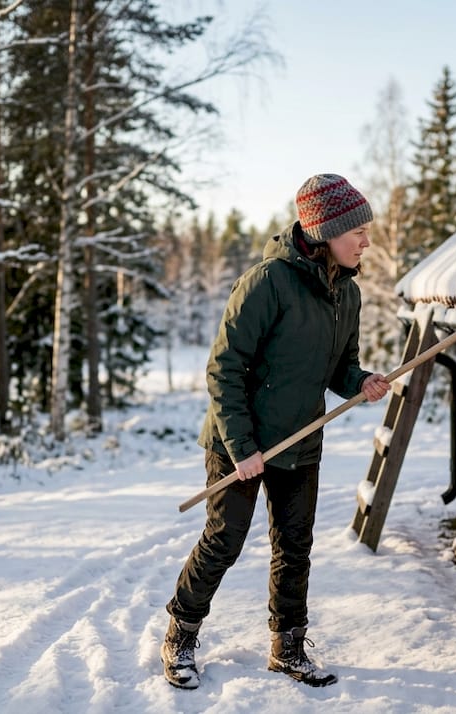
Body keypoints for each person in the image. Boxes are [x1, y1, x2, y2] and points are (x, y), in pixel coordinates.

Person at [161, 174, 390, 690]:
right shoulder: (267, 282)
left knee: (295, 545)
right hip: (238, 439)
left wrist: (361, 381)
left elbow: (340, 367)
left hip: (300, 439)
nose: (366, 242)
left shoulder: (347, 293)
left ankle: (288, 645)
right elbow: (224, 369)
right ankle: (181, 633)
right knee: (224, 540)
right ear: (327, 232)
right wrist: (242, 447)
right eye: (358, 232)